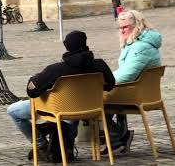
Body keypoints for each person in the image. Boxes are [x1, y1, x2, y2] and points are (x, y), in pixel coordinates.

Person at [7, 30, 115, 160]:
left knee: (13, 110)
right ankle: (64, 144)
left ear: (66, 46)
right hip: (91, 109)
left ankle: (41, 144)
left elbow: (32, 91)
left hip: (58, 110)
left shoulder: (56, 70)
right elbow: (110, 85)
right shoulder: (100, 65)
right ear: (85, 44)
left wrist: (34, 79)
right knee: (69, 116)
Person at [101, 10, 162, 154]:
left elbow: (127, 75)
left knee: (92, 102)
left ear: (137, 26)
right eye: (120, 28)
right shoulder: (136, 43)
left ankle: (117, 138)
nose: (122, 31)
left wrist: (102, 82)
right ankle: (115, 138)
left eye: (125, 27)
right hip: (139, 90)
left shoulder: (140, 47)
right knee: (101, 99)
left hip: (136, 94)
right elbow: (125, 72)